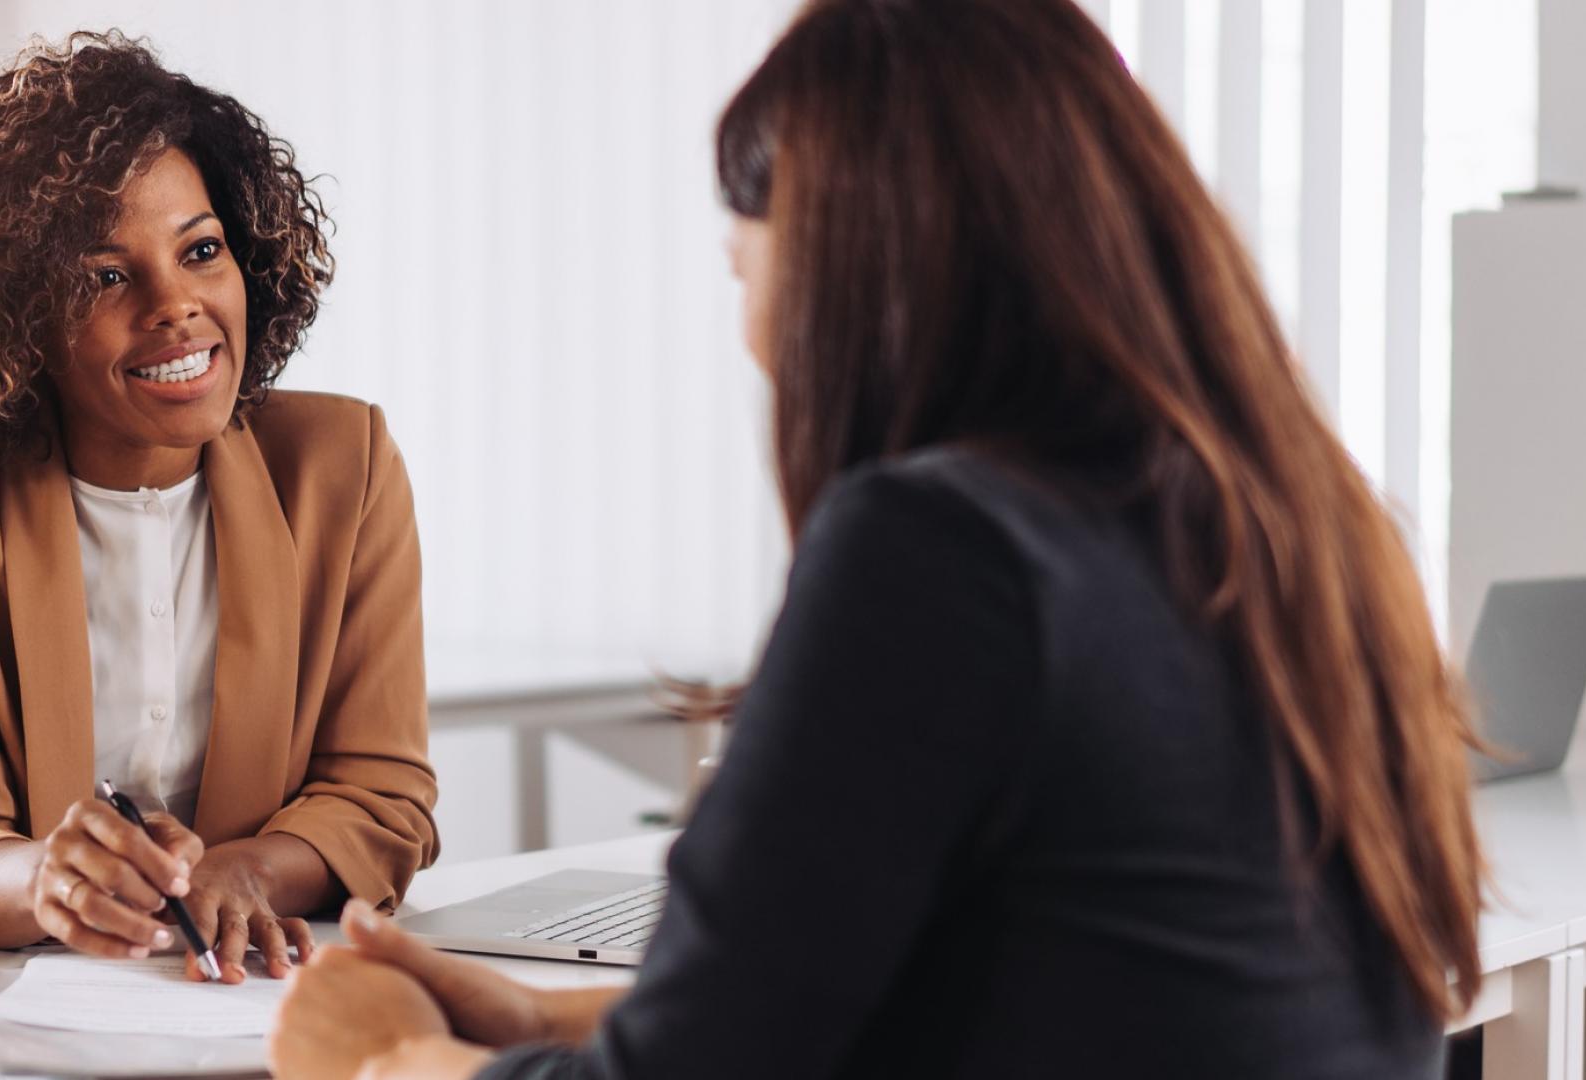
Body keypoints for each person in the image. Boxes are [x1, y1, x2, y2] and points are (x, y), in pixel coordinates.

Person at [265, 0, 1485, 1074]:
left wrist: (382, 1060)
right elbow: (1032, 1001)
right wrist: (539, 1021)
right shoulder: (1305, 533)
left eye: (744, 272)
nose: (748, 336)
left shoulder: (941, 554)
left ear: (849, 273)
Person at [0, 32, 438, 983]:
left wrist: (246, 872)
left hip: (247, 996)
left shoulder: (341, 467)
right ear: (13, 314)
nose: (177, 305)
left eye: (201, 251)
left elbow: (380, 796)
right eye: (106, 276)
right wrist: (45, 881)